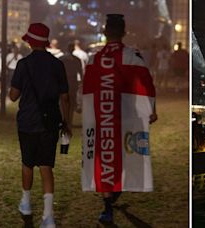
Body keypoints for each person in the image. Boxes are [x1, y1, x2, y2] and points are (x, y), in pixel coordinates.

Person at [81, 14, 158, 224]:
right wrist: (151, 109)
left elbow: (86, 89)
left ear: (105, 33)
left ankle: (107, 206)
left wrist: (84, 110)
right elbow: (147, 84)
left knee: (104, 155)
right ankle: (115, 191)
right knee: (123, 154)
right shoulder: (133, 56)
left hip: (101, 117)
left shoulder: (93, 58)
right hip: (126, 116)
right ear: (124, 33)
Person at [9, 23, 71, 228]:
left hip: (27, 121)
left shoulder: (23, 64)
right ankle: (48, 216)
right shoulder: (57, 65)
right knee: (46, 166)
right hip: (50, 122)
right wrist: (67, 123)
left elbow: (14, 95)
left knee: (27, 164)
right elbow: (65, 97)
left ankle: (26, 203)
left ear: (30, 42)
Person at [59, 43, 83, 127]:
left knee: (63, 102)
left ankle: (64, 119)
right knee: (71, 103)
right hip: (72, 83)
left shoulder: (61, 59)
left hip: (64, 83)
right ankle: (68, 121)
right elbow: (81, 72)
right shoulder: (76, 59)